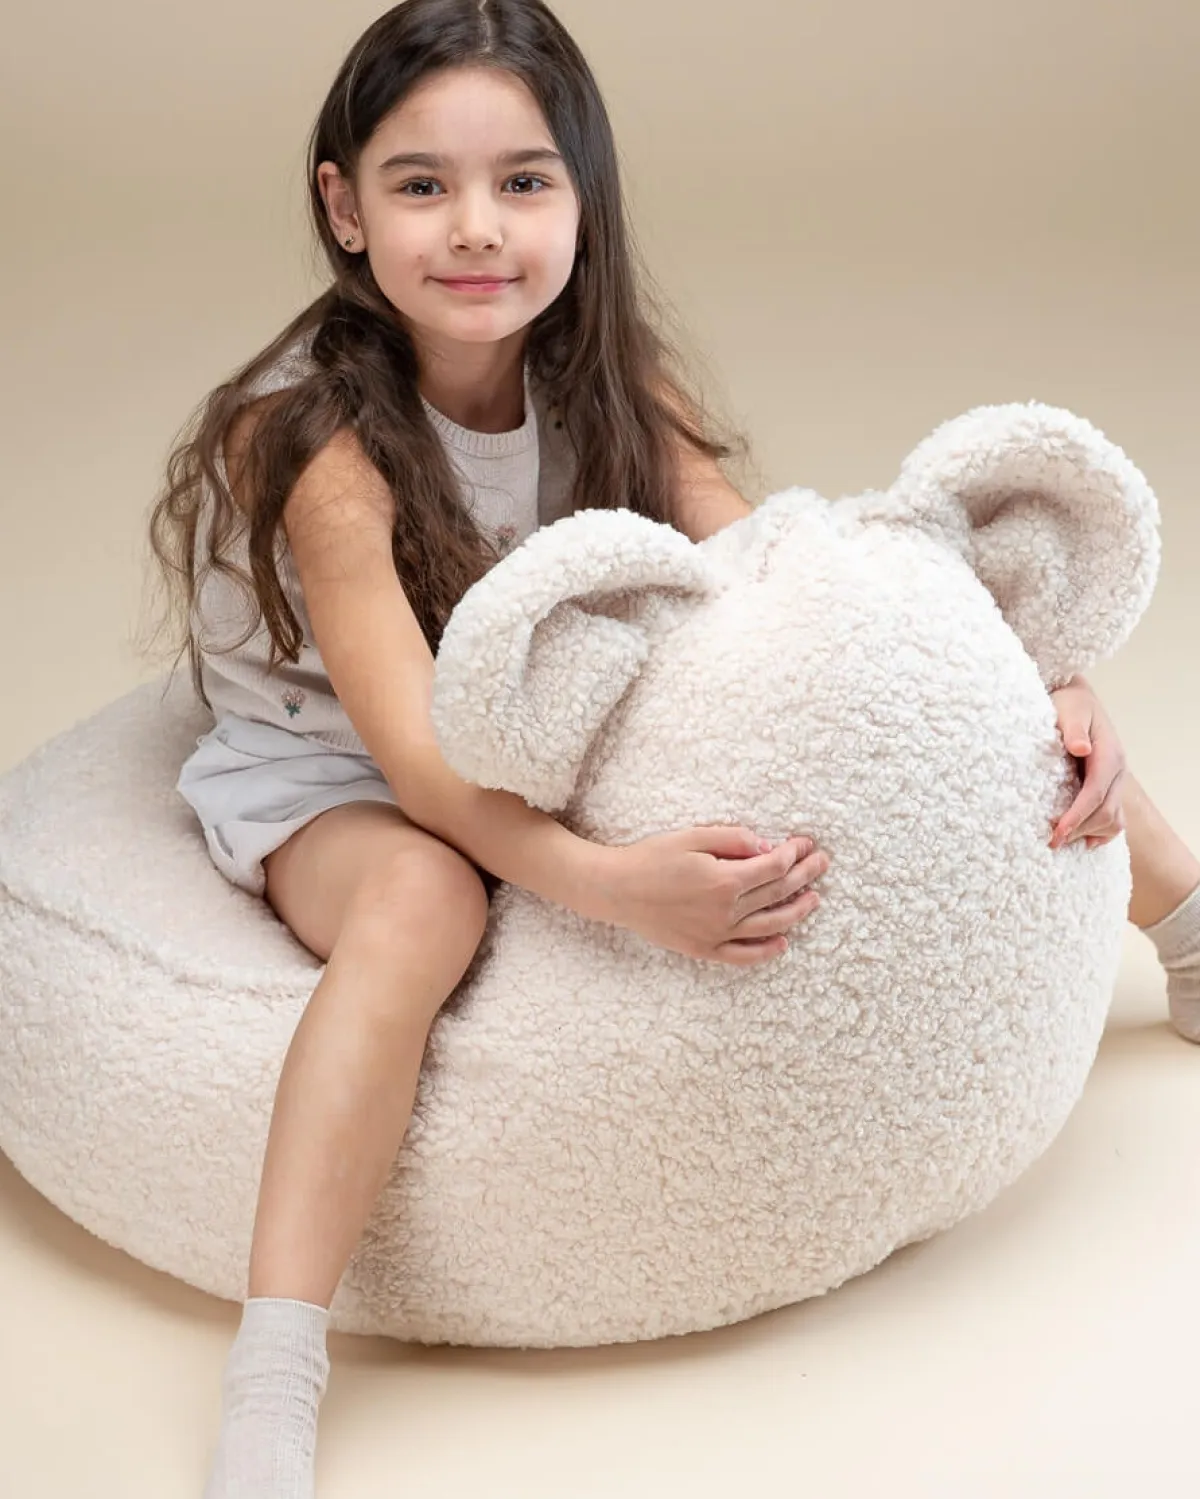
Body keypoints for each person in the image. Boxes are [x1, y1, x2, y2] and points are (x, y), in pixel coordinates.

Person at [145, 2, 1200, 1494]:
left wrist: (1032, 676)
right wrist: (610, 885)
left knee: (932, 712)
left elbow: (783, 575)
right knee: (426, 903)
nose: (476, 228)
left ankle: (1187, 926)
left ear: (583, 198)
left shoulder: (606, 380)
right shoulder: (313, 445)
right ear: (345, 207)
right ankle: (277, 1361)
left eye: (523, 182)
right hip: (344, 770)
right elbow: (425, 768)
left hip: (533, 705)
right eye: (421, 185)